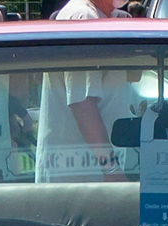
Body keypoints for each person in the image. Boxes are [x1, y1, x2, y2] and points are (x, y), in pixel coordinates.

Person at [34, 0, 127, 182]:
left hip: (90, 176)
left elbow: (133, 76)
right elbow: (82, 103)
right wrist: (112, 169)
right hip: (77, 183)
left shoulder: (105, 18)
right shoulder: (83, 17)